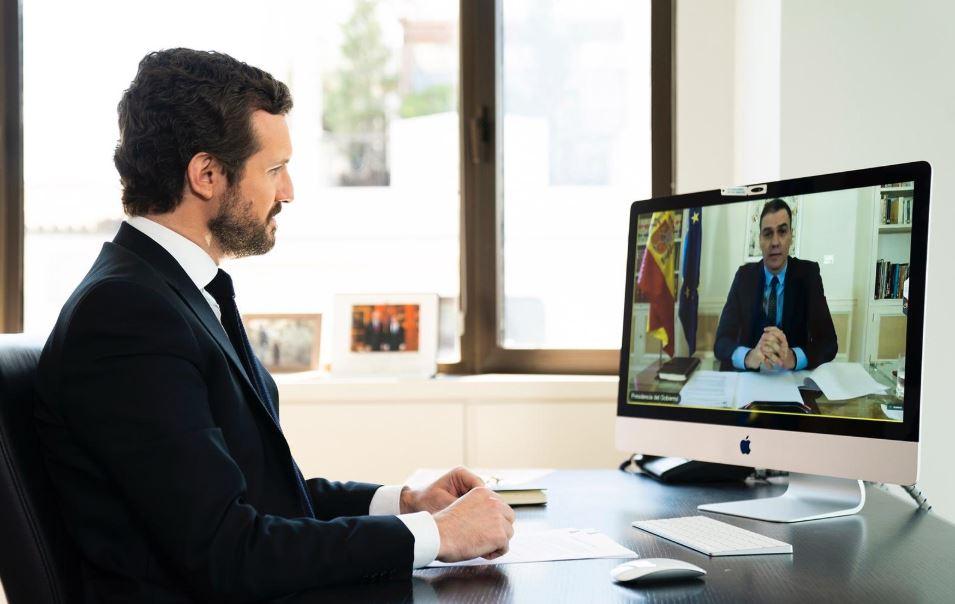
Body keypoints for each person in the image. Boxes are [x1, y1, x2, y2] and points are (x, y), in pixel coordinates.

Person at [34, 48, 514, 603]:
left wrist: (407, 504)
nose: (288, 192)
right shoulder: (126, 316)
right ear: (207, 174)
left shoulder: (174, 291)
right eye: (275, 169)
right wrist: (440, 536)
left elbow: (259, 499)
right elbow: (230, 550)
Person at [714, 198, 837, 371]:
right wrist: (749, 356)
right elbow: (722, 342)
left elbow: (828, 343)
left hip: (791, 379)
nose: (775, 242)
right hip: (751, 377)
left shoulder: (808, 275)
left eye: (782, 231)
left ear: (791, 236)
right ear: (760, 240)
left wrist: (793, 358)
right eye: (768, 233)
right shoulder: (744, 277)